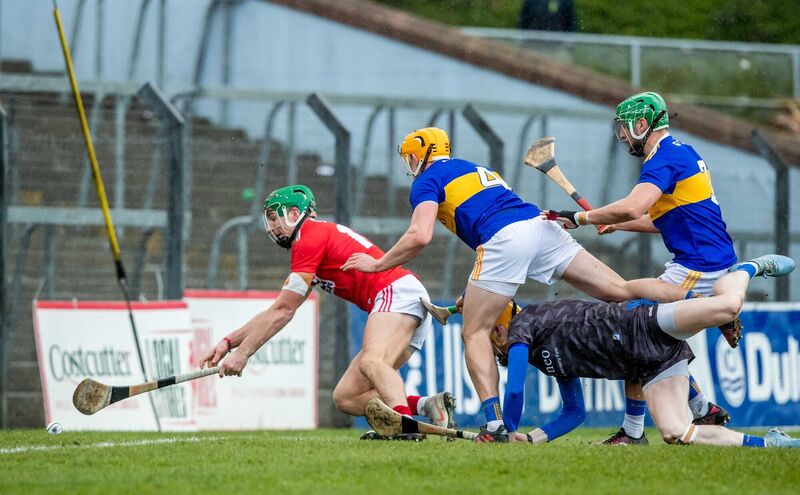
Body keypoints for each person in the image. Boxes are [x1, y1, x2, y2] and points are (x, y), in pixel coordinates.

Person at [341, 127, 690, 442]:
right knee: (622, 291)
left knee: (475, 332)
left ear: (422, 155)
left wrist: (377, 264)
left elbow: (420, 235)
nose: (411, 165)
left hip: (503, 239)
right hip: (541, 225)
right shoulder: (472, 167)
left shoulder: (426, 181)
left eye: (412, 158)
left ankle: (493, 424)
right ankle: (693, 300)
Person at [543, 91, 740, 444]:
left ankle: (637, 431)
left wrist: (581, 217)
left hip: (699, 267)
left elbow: (635, 206)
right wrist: (616, 224)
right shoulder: (682, 151)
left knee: (634, 324)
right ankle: (698, 406)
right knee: (647, 332)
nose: (621, 135)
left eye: (624, 127)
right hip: (705, 260)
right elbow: (661, 218)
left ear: (642, 123)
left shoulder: (662, 159)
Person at [199, 185, 454, 438]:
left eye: (275, 217)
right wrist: (228, 343)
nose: (271, 226)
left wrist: (243, 355)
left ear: (294, 213)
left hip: (396, 292)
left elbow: (284, 311)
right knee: (347, 396)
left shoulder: (308, 238)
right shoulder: (312, 240)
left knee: (371, 362)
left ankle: (403, 426)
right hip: (406, 299)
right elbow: (277, 310)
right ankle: (428, 406)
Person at [493, 254, 799, 448]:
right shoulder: (539, 354)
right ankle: (771, 444)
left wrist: (506, 429)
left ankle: (746, 269)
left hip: (642, 324)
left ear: (500, 325)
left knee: (728, 307)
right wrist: (531, 438)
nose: (493, 347)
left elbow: (516, 389)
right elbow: (574, 412)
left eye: (490, 334)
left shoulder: (523, 325)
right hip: (649, 366)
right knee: (677, 432)